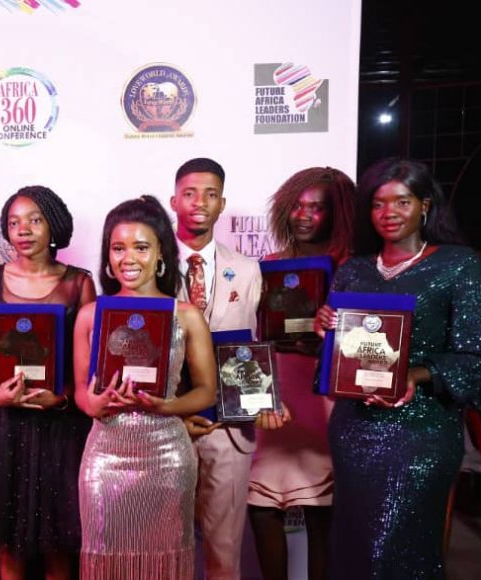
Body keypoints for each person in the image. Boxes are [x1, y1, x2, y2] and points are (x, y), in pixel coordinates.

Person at [314, 158, 481, 579]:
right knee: (354, 544)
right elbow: (339, 357)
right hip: (355, 429)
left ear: (425, 205)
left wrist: (415, 376)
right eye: (378, 204)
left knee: (398, 548)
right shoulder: (353, 269)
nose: (388, 213)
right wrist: (326, 328)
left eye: (402, 201)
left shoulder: (458, 265)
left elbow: (474, 355)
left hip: (421, 430)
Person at [74, 196, 217, 578]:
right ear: (107, 256)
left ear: (161, 254)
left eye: (141, 247)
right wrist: (95, 404)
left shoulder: (186, 316)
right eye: (118, 248)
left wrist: (166, 406)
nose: (129, 258)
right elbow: (81, 393)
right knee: (106, 561)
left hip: (167, 455)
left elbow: (207, 391)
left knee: (164, 563)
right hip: (105, 457)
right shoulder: (90, 315)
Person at [0, 186, 95, 580]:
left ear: (53, 226)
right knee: (6, 539)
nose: (23, 230)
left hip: (59, 424)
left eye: (35, 220)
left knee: (58, 543)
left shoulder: (79, 283)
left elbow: (87, 362)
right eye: (14, 222)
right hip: (2, 423)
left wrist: (62, 398)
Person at [247, 167, 355, 580]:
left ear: (338, 213)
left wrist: (329, 338)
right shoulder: (266, 266)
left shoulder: (353, 269)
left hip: (322, 397)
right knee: (261, 506)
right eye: (297, 205)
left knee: (322, 511)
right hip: (275, 390)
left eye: (317, 207)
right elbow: (249, 333)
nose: (304, 214)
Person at [168, 157, 263, 580]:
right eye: (189, 193)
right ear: (174, 201)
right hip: (167, 426)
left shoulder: (247, 269)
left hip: (229, 428)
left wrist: (265, 399)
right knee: (167, 549)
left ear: (222, 203)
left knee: (225, 553)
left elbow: (251, 347)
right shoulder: (148, 265)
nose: (199, 203)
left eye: (210, 194)